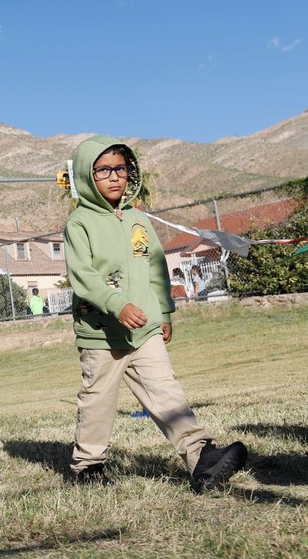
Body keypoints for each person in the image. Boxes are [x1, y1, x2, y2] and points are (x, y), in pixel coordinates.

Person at [64, 135, 248, 493]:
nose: (115, 176)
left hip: (145, 328)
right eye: (103, 170)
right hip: (102, 332)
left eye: (121, 168)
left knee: (166, 391)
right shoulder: (80, 223)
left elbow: (155, 266)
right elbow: (82, 277)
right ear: (88, 177)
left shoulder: (138, 219)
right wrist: (118, 305)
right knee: (98, 399)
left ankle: (200, 457)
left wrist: (163, 310)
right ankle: (90, 467)